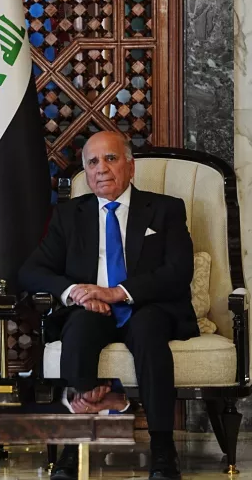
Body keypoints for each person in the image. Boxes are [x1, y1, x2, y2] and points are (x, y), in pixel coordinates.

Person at [19, 131, 197, 480]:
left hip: (146, 305)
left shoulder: (165, 209)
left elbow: (178, 272)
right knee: (79, 330)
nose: (101, 169)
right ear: (86, 171)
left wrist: (117, 293)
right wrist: (76, 292)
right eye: (92, 162)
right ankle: (71, 448)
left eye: (111, 159)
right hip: (90, 309)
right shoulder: (70, 215)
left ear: (130, 166)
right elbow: (31, 270)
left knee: (148, 333)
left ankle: (162, 449)